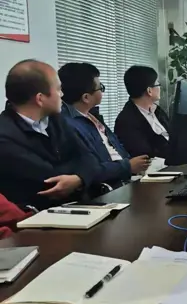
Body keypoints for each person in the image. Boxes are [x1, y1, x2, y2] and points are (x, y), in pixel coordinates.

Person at [0, 60, 100, 209]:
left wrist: (79, 178)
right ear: (40, 99)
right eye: (58, 89)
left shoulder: (56, 120)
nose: (62, 94)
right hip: (39, 216)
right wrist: (80, 173)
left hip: (79, 207)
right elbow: (50, 179)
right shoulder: (5, 136)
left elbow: (90, 157)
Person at [58, 63, 151, 186]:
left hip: (125, 179)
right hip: (108, 187)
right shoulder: (68, 125)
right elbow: (92, 169)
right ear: (86, 98)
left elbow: (117, 148)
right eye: (100, 87)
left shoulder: (92, 116)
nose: (102, 90)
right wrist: (128, 166)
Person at [114, 65, 170, 158]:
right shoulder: (126, 121)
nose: (160, 87)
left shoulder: (157, 111)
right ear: (149, 91)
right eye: (158, 84)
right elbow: (144, 154)